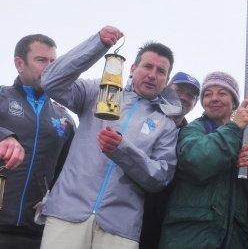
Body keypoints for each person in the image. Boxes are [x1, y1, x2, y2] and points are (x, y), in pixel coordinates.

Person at [39, 26, 180, 249]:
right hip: (68, 212)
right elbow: (50, 82)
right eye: (147, 66)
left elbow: (160, 177)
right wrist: (98, 44)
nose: (153, 75)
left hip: (120, 228)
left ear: (167, 79)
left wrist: (122, 150)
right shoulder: (100, 89)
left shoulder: (166, 125)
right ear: (133, 68)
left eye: (161, 71)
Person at [158, 71, 248, 248]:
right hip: (189, 237)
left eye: (222, 93)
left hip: (235, 239)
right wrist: (234, 128)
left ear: (234, 102)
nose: (214, 98)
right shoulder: (193, 130)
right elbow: (196, 161)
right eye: (208, 94)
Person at [0, 34, 75, 249]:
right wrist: (4, 135)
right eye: (42, 60)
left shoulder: (65, 119)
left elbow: (67, 175)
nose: (50, 68)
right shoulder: (2, 98)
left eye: (54, 63)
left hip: (37, 232)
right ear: (19, 64)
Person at [139, 71, 200, 249]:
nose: (184, 97)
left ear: (196, 103)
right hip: (126, 206)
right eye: (179, 89)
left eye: (191, 95)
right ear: (166, 89)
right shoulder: (143, 116)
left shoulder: (191, 136)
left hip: (165, 221)